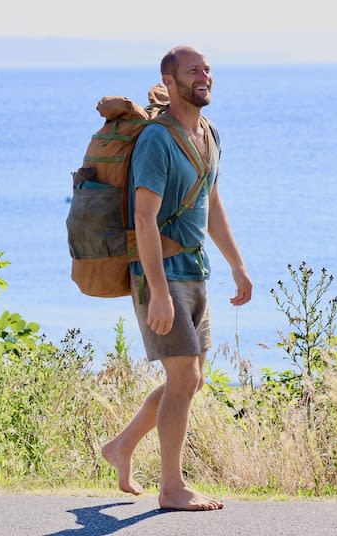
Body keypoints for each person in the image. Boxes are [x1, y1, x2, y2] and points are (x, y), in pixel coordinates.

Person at [101, 45, 253, 512]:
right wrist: (159, 294)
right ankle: (172, 487)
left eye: (207, 69)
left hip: (196, 269)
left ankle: (121, 446)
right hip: (160, 275)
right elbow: (144, 218)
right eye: (193, 71)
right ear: (170, 82)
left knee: (193, 379)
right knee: (184, 376)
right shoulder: (157, 141)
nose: (204, 76)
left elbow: (212, 205)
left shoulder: (208, 133)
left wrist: (237, 264)